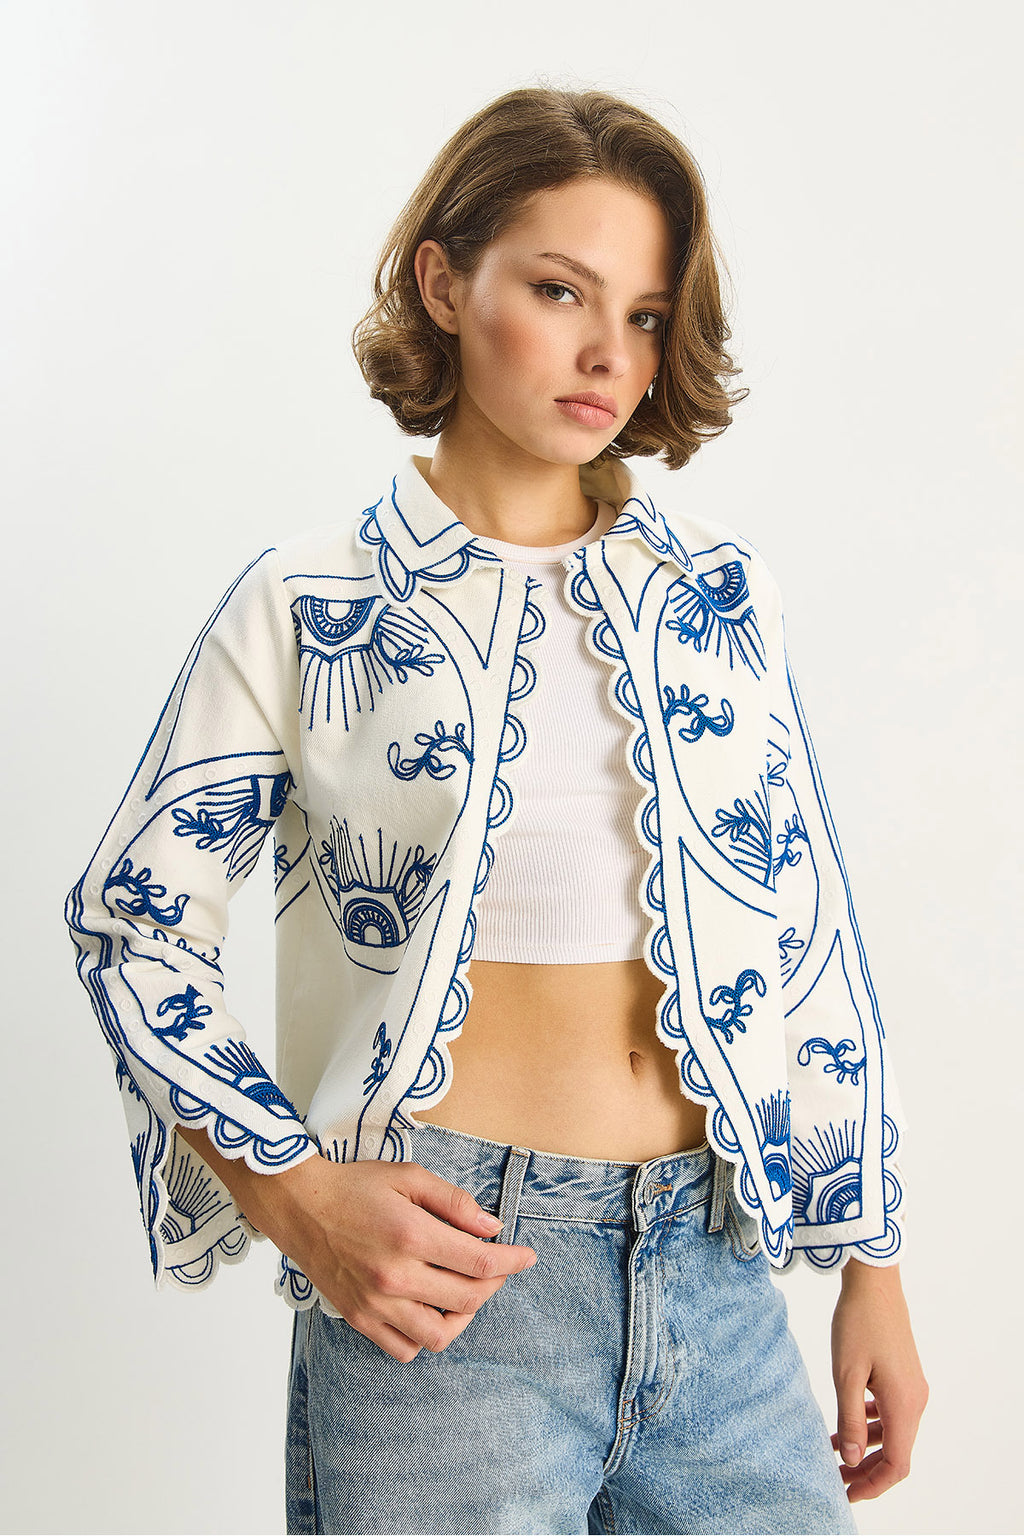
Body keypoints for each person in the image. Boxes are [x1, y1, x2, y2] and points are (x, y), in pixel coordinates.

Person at [66, 84, 927, 1535]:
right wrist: (295, 1192)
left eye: (645, 315)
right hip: (448, 1283)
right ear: (441, 284)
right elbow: (133, 927)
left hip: (717, 1270)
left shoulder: (718, 598)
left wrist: (872, 1269)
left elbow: (807, 933)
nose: (609, 354)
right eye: (559, 290)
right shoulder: (313, 604)